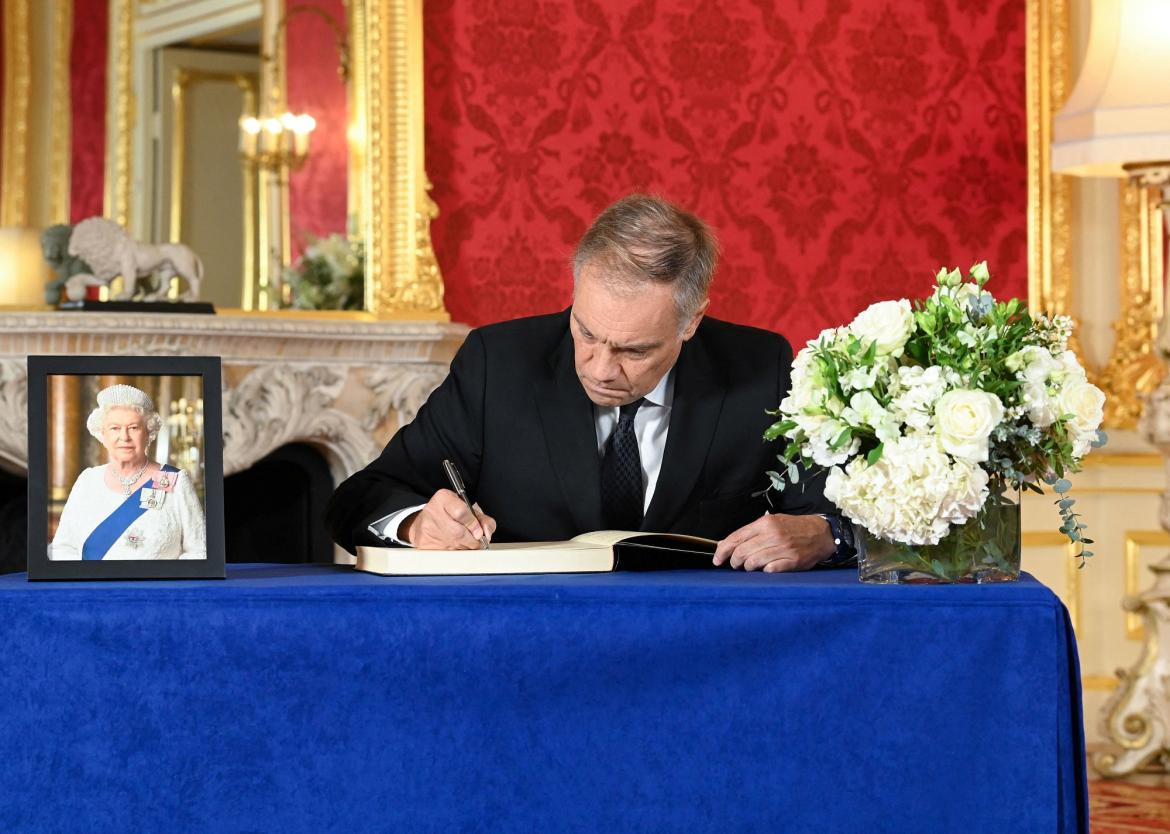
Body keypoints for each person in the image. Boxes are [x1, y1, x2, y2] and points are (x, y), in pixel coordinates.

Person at [327, 194, 853, 571]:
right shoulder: (499, 363)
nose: (600, 368)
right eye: (586, 333)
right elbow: (360, 498)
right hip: (529, 639)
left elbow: (840, 512)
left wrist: (825, 535)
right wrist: (416, 523)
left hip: (701, 645)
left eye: (633, 350)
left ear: (690, 323)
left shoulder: (758, 366)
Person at [50, 384, 207, 561]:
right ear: (103, 435)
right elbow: (62, 548)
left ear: (148, 433)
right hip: (95, 588)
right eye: (114, 428)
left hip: (158, 588)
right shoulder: (87, 480)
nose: (124, 437)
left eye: (133, 428)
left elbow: (199, 551)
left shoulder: (174, 480)